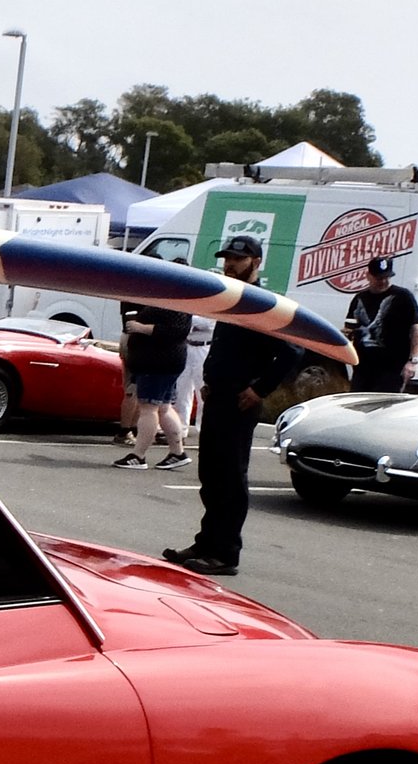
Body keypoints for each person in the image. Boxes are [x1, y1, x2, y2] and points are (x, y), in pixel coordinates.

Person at [163, 234, 305, 577]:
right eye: (227, 258)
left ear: (256, 262)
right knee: (210, 474)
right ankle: (207, 541)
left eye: (237, 259)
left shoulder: (267, 304)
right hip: (218, 395)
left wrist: (260, 390)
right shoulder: (232, 300)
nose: (229, 264)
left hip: (241, 402)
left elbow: (293, 350)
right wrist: (210, 380)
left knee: (230, 475)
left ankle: (225, 552)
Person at [115, 303, 191, 468]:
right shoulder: (172, 300)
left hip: (157, 362)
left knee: (149, 408)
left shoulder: (173, 304)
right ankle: (177, 452)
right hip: (162, 361)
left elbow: (176, 331)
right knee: (163, 407)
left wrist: (141, 328)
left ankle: (139, 455)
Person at [345, 255, 418, 394]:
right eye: (379, 278)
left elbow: (416, 330)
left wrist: (413, 361)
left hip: (392, 368)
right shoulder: (359, 299)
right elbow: (349, 329)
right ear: (368, 276)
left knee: (384, 406)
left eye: (386, 277)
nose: (383, 281)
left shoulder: (402, 297)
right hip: (363, 368)